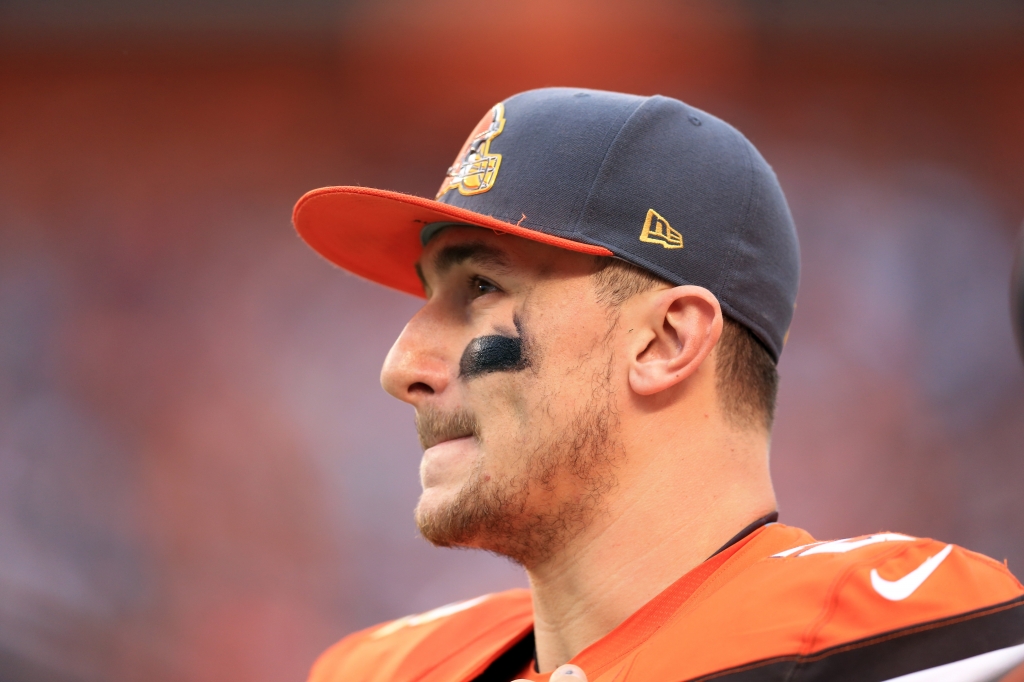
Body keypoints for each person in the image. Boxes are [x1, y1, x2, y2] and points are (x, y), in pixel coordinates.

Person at [292, 88, 1024, 682]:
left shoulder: (908, 637)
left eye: (481, 286)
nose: (399, 368)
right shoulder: (384, 668)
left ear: (666, 340)